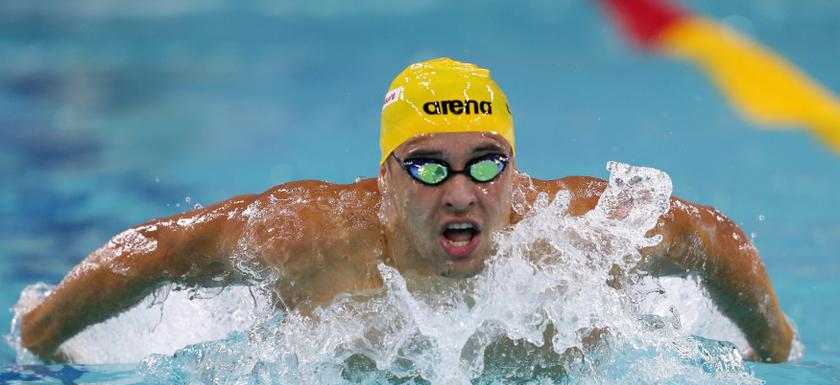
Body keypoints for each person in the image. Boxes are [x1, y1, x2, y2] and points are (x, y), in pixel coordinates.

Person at [19, 58, 794, 364]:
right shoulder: (312, 235)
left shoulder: (571, 231)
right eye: (428, 166)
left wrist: (775, 351)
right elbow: (157, 250)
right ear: (385, 178)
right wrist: (40, 338)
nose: (461, 191)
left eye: (486, 163)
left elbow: (709, 238)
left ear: (512, 170)